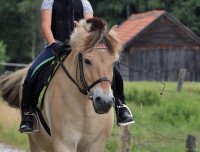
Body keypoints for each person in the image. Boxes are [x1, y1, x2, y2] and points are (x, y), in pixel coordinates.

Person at [19, 0, 134, 133]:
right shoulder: (49, 2)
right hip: (54, 46)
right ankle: (28, 115)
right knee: (33, 71)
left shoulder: (84, 3)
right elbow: (45, 27)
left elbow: (91, 29)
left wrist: (86, 43)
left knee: (113, 71)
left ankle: (120, 106)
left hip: (80, 46)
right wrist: (54, 44)